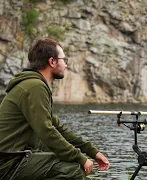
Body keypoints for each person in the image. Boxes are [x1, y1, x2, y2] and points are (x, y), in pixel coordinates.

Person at [0, 38, 110, 179]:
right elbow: (46, 130)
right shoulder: (34, 87)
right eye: (64, 59)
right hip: (8, 162)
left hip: (15, 156)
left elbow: (57, 127)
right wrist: (80, 158)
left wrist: (91, 151)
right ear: (52, 62)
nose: (65, 64)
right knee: (73, 169)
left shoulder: (34, 85)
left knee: (62, 155)